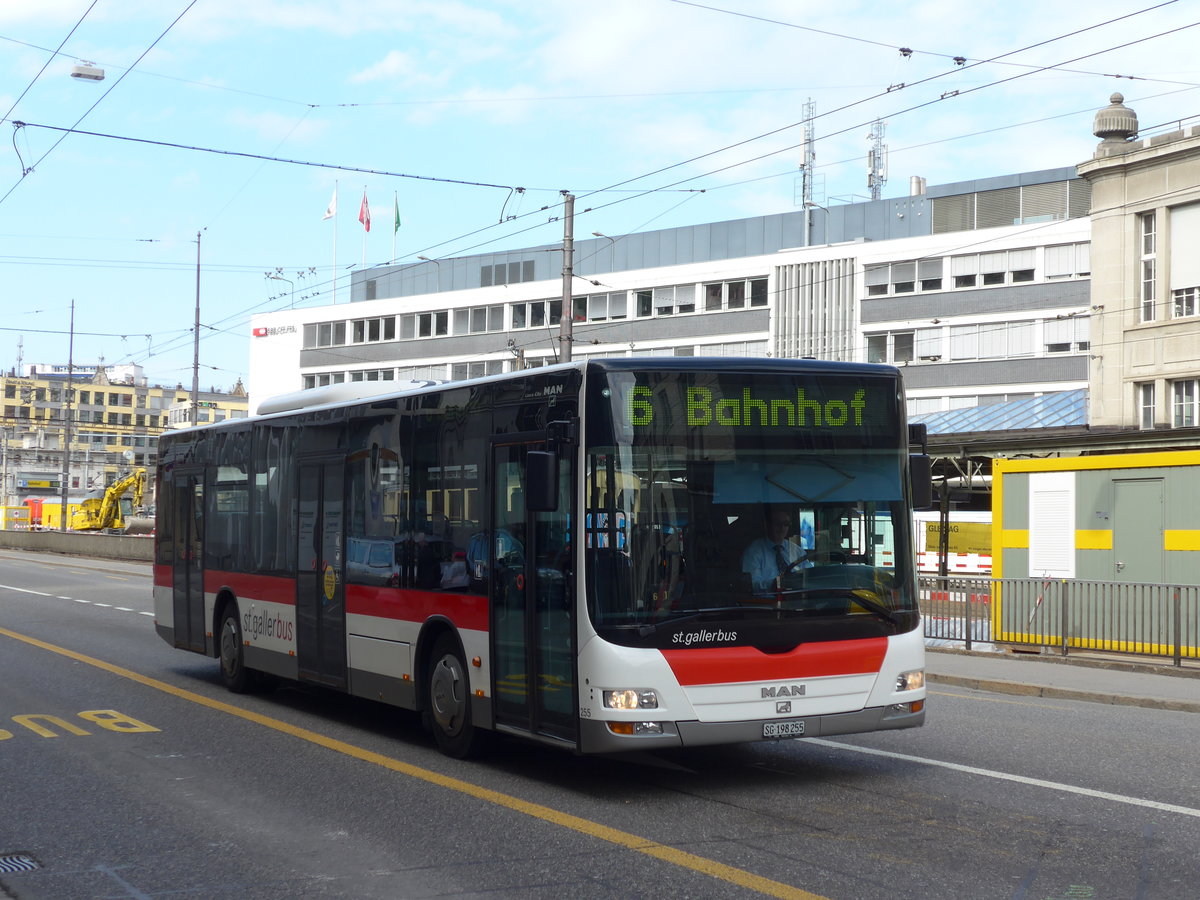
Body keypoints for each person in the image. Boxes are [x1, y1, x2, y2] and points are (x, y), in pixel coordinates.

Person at [742, 505, 811, 592]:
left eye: (786, 524)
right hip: (766, 600)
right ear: (767, 525)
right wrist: (777, 584)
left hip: (796, 598)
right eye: (777, 523)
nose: (782, 528)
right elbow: (751, 585)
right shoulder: (753, 551)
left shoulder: (797, 551)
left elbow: (810, 576)